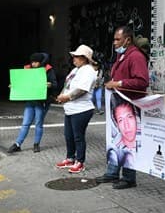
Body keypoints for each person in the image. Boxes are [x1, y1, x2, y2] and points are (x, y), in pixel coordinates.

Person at [95, 25, 149, 189]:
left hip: (129, 107)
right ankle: (112, 172)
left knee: (128, 142)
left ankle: (128, 177)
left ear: (127, 39)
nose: (115, 43)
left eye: (118, 39)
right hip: (119, 105)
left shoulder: (136, 56)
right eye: (114, 39)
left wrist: (118, 83)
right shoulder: (124, 56)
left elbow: (142, 82)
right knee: (116, 141)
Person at [55, 44, 97, 174]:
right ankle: (70, 158)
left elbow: (82, 90)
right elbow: (68, 85)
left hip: (82, 109)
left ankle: (80, 162)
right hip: (71, 109)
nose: (74, 58)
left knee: (78, 136)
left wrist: (66, 97)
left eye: (77, 56)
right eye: (74, 56)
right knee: (69, 135)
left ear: (84, 58)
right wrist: (61, 95)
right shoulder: (75, 70)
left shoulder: (88, 70)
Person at [7, 53, 57, 153]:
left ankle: (36, 144)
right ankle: (18, 144)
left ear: (41, 62)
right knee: (25, 123)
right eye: (32, 62)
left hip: (42, 101)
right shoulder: (28, 70)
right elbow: (22, 83)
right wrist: (14, 86)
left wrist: (50, 85)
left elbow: (55, 84)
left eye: (35, 62)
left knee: (38, 123)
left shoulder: (48, 70)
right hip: (31, 101)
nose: (33, 64)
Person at [107, 93, 139, 170]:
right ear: (117, 124)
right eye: (121, 120)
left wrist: (119, 83)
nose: (126, 125)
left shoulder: (147, 141)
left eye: (129, 117)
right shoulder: (114, 147)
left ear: (136, 117)